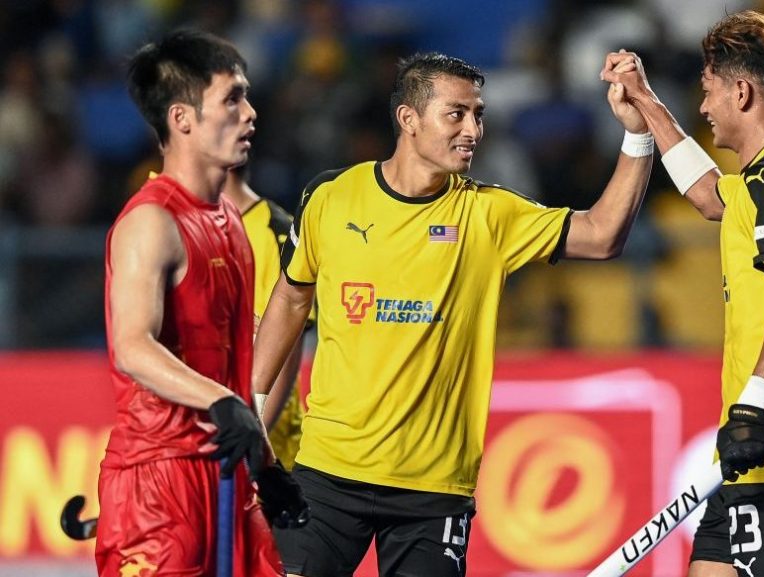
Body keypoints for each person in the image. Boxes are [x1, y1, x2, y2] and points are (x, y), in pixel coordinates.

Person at [250, 52, 653, 577]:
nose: (473, 131)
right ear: (409, 118)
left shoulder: (490, 213)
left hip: (433, 492)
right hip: (327, 474)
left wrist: (638, 134)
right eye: (456, 114)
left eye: (478, 115)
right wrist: (252, 409)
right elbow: (290, 298)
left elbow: (601, 236)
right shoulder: (330, 197)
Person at [601, 11, 764, 577]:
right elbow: (710, 196)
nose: (704, 106)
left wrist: (751, 409)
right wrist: (645, 102)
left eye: (708, 91)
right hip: (747, 447)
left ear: (741, 93)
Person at [95, 29, 305, 577]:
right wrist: (223, 403)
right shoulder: (151, 222)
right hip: (159, 483)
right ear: (182, 118)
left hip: (229, 476)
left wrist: (266, 465)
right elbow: (133, 347)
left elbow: (232, 364)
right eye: (232, 98)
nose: (250, 113)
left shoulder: (230, 221)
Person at [223, 164, 313, 470]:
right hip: (205, 445)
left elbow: (283, 348)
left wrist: (251, 447)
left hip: (267, 455)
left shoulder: (276, 232)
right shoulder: (175, 222)